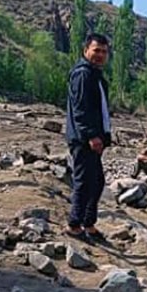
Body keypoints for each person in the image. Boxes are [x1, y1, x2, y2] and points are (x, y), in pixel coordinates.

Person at [64, 33, 112, 241]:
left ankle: (88, 223)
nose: (100, 55)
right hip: (84, 140)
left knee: (97, 181)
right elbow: (80, 109)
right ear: (86, 51)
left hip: (92, 139)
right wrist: (92, 135)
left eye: (104, 51)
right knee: (84, 182)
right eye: (96, 50)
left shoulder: (94, 75)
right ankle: (74, 225)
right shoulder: (83, 74)